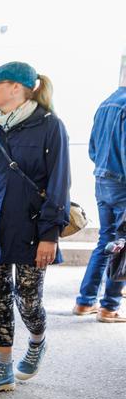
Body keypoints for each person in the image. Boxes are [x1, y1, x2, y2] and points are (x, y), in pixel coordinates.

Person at [0, 62, 71, 396]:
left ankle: (37, 341)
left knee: (28, 301)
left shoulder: (50, 126)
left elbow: (59, 183)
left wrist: (50, 235)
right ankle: (3, 370)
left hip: (32, 231)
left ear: (16, 87)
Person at [73, 65, 126, 322]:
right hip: (122, 183)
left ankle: (85, 302)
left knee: (105, 240)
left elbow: (93, 148)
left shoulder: (106, 103)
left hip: (102, 180)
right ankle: (109, 307)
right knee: (122, 244)